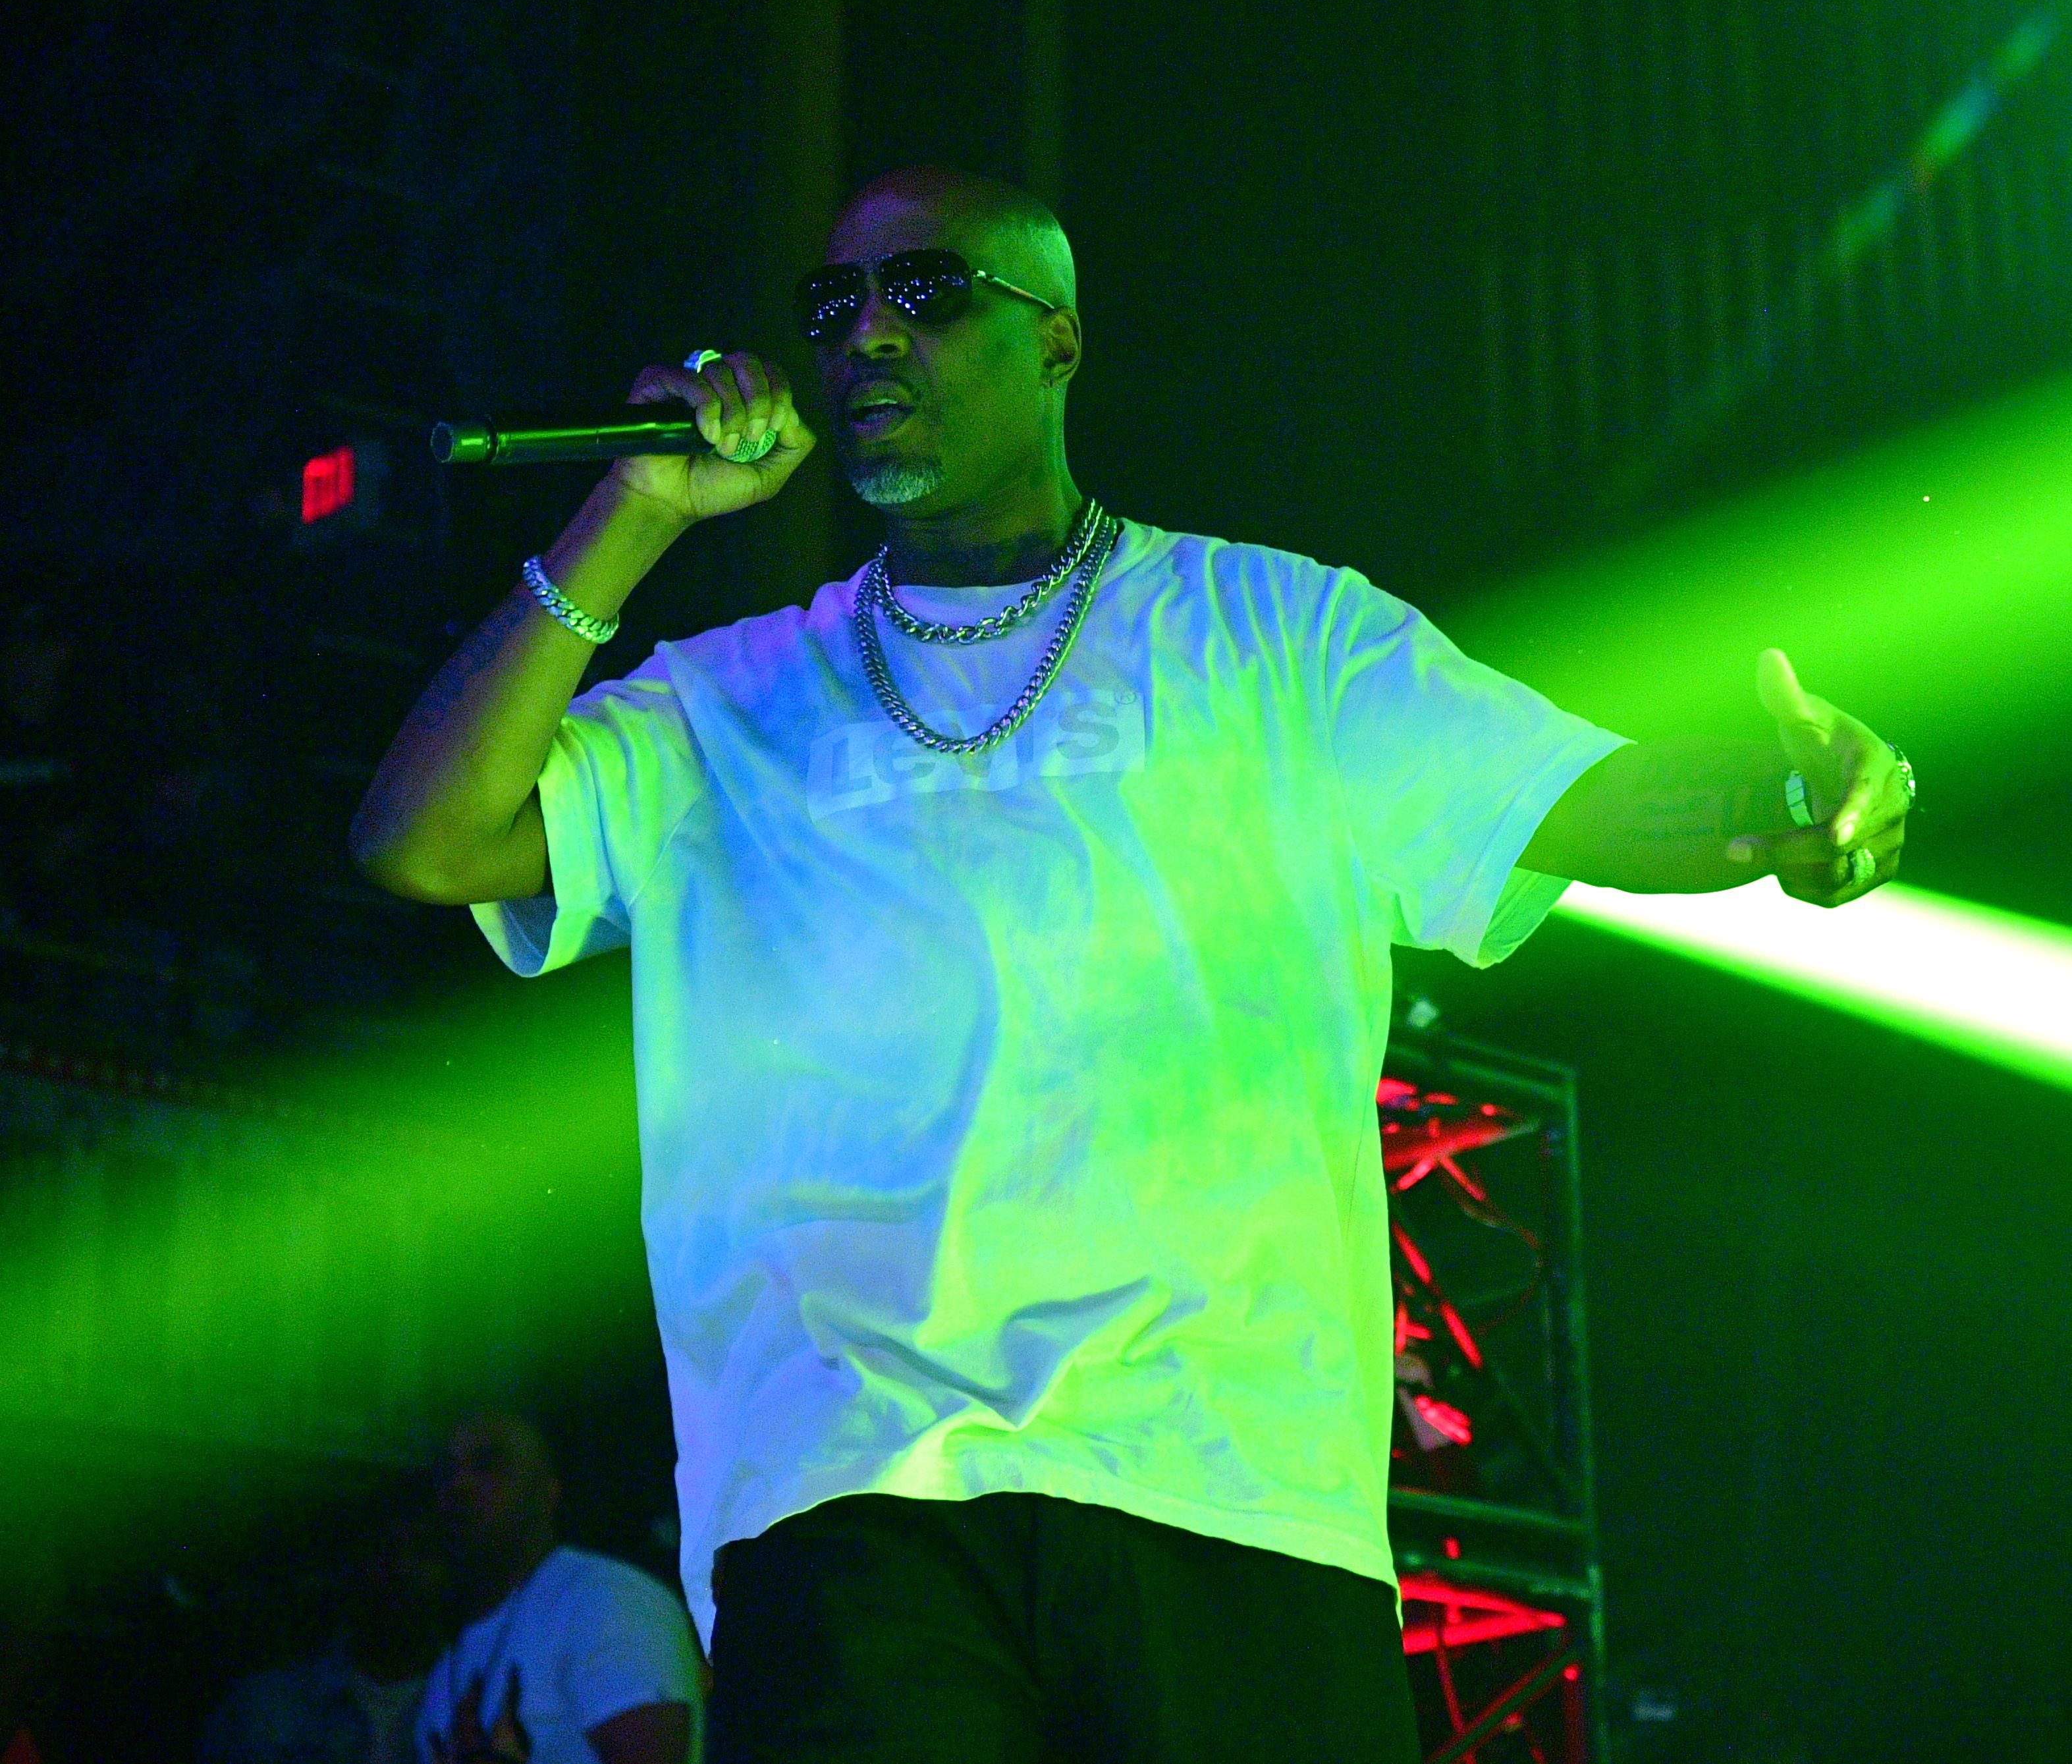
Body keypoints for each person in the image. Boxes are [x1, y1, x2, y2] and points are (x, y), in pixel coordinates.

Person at [349, 165, 1913, 1761]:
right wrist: (629, 515)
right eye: (835, 309)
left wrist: (1785, 798)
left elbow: (1569, 794)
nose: (869, 339)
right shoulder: (728, 702)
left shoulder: (1271, 634)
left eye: (928, 295)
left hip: (1229, 1478)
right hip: (857, 1492)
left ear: (1059, 342)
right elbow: (423, 838)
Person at [417, 1410, 699, 1764]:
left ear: (549, 1487)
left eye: (488, 1464)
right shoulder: (445, 1667)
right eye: (446, 1472)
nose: (461, 1484)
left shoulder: (604, 1599)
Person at [200, 1493, 447, 1764]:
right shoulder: (263, 1708)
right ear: (356, 1564)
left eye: (424, 1552)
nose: (401, 1569)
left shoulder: (474, 1712)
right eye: (384, 1551)